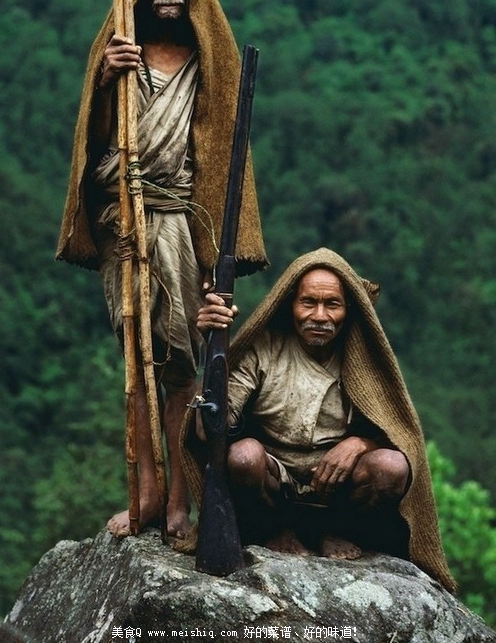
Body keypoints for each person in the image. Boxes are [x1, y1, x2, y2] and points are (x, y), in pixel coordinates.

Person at [56, 0, 268, 539]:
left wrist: (212, 261)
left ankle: (180, 499)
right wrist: (104, 77)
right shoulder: (119, 53)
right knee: (135, 356)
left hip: (179, 225)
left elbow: (220, 162)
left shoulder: (210, 60)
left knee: (180, 365)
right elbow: (91, 146)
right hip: (125, 223)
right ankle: (145, 491)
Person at [188, 247, 455, 592]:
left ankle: (336, 530)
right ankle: (275, 530)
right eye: (308, 302)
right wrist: (212, 349)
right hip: (273, 481)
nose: (319, 315)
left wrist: (360, 443)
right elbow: (211, 429)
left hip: (335, 489)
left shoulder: (361, 356)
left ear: (348, 310)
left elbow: (399, 435)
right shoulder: (265, 348)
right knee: (243, 457)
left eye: (332, 304)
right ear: (290, 305)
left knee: (391, 467)